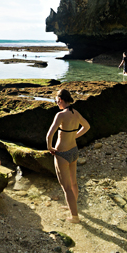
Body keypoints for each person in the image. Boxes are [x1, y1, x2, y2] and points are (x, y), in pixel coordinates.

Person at [46, 89, 90, 223]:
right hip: (74, 150)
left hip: (62, 153)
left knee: (66, 187)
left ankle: (74, 217)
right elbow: (87, 126)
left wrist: (49, 147)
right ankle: (73, 206)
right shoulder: (76, 113)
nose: (56, 103)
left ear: (60, 100)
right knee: (73, 183)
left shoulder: (60, 115)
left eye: (56, 101)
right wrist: (74, 135)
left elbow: (49, 135)